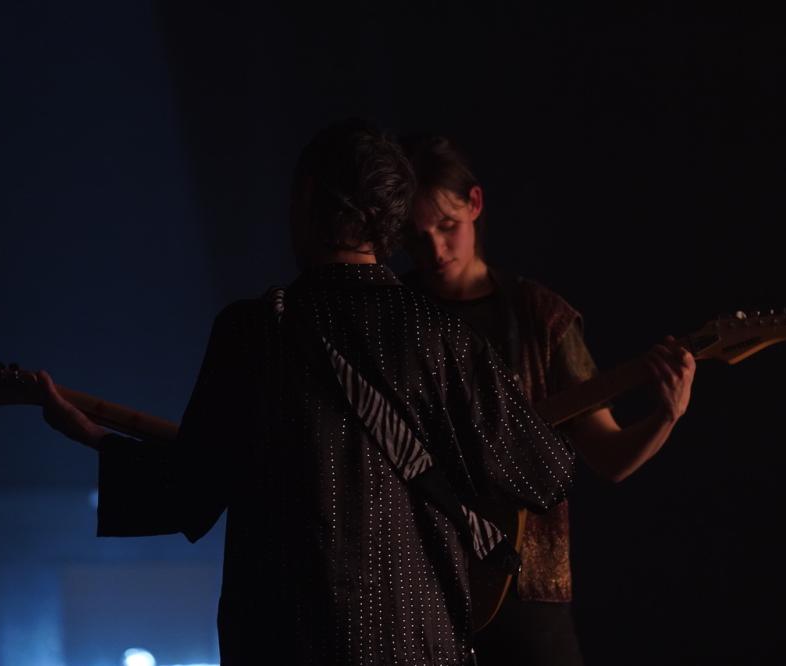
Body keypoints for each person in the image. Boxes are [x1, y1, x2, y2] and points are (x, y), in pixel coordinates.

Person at [38, 119, 577, 665]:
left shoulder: (251, 332)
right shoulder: (440, 336)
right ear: (391, 216)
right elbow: (545, 473)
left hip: (284, 642)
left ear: (308, 197)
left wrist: (89, 435)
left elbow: (189, 492)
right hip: (419, 642)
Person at [400, 134, 696, 665]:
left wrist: (665, 414)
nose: (437, 251)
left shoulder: (540, 317)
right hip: (420, 586)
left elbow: (610, 459)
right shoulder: (393, 315)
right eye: (417, 237)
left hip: (527, 591)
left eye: (448, 227)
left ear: (475, 204)